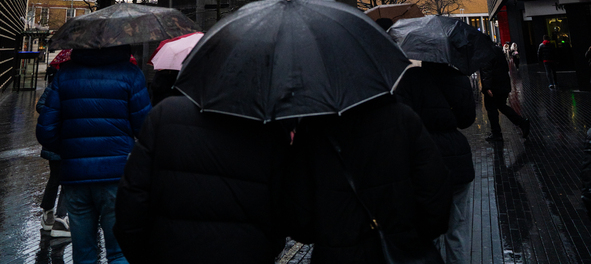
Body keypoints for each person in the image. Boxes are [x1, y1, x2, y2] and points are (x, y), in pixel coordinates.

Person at [114, 95, 290, 264]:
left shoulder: (166, 114)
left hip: (169, 253)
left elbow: (132, 199)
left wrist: (145, 257)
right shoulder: (272, 130)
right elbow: (284, 213)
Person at [285, 93, 452, 263]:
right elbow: (435, 195)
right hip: (403, 249)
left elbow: (299, 219)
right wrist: (413, 236)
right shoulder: (403, 119)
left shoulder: (310, 131)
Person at [36, 45, 151, 264]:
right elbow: (146, 128)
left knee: (84, 251)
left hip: (76, 177)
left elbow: (46, 130)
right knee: (119, 251)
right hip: (116, 176)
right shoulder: (131, 74)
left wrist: (70, 150)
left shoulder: (66, 74)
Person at [397, 63, 475, 264]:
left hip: (425, 161)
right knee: (457, 229)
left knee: (427, 228)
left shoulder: (410, 78)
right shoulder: (459, 78)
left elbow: (403, 120)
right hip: (458, 157)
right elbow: (466, 120)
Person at [37, 84, 70, 238]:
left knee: (56, 178)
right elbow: (41, 105)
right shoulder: (58, 85)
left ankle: (48, 213)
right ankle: (60, 219)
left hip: (57, 139)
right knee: (63, 179)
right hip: (61, 139)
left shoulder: (55, 85)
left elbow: (42, 105)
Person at [481, 44, 530, 142]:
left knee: (492, 110)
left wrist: (487, 87)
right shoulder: (497, 50)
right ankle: (521, 123)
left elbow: (487, 70)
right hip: (502, 84)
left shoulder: (486, 52)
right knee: (502, 106)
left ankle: (497, 133)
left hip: (493, 86)